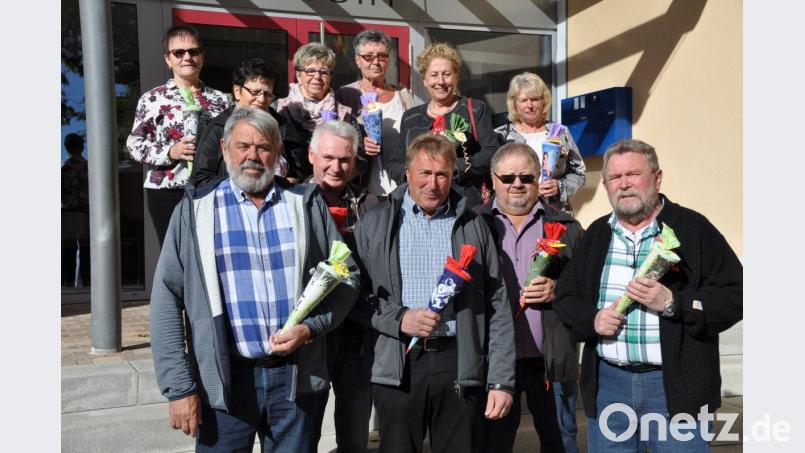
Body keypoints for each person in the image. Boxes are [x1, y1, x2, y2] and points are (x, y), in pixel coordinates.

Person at [150, 107, 360, 452]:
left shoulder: (305, 204)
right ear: (224, 148)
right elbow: (167, 298)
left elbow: (348, 276)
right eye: (242, 145)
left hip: (296, 382)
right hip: (226, 383)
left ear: (278, 153)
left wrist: (312, 327)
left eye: (263, 147)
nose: (252, 156)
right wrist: (180, 388)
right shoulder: (195, 211)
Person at [553, 139, 743, 451]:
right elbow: (566, 297)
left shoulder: (692, 228)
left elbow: (737, 294)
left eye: (633, 174)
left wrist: (674, 303)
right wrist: (593, 319)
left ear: (657, 178)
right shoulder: (597, 234)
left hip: (676, 389)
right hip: (610, 386)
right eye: (615, 178)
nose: (624, 185)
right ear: (606, 185)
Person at [353, 133, 515, 453]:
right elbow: (356, 298)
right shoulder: (376, 223)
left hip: (459, 361)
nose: (433, 183)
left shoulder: (473, 224)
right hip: (399, 361)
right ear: (408, 174)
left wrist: (501, 380)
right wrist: (400, 319)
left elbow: (496, 303)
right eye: (425, 173)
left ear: (452, 175)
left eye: (442, 174)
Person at [478, 143, 582, 453]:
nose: (517, 184)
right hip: (494, 363)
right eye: (508, 178)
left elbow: (587, 291)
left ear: (539, 179)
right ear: (493, 180)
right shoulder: (473, 225)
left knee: (559, 443)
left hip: (549, 361)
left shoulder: (567, 227)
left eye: (526, 177)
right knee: (492, 445)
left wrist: (557, 290)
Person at [305, 120, 378, 453]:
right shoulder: (292, 201)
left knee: (354, 429)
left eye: (345, 160)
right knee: (303, 429)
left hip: (356, 329)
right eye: (328, 158)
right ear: (311, 155)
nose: (336, 167)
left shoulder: (370, 204)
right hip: (309, 331)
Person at [127, 25, 230, 245]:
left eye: (193, 51)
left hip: (211, 186)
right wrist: (170, 151)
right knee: (175, 254)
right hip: (167, 188)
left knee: (210, 252)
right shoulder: (152, 99)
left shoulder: (221, 99)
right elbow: (135, 144)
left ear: (202, 57)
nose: (187, 57)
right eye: (179, 52)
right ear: (168, 59)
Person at [389, 42, 499, 208]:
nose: (440, 81)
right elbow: (395, 164)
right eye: (434, 75)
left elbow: (492, 152)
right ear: (425, 80)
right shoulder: (411, 117)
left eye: (447, 74)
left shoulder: (474, 109)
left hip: (465, 202)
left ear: (456, 77)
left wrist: (455, 167)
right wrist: (418, 175)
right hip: (420, 205)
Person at [335, 29, 418, 197]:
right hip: (361, 189)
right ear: (357, 60)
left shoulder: (403, 96)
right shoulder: (345, 94)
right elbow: (335, 138)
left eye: (382, 56)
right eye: (368, 56)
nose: (376, 62)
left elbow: (414, 139)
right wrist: (359, 144)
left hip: (400, 188)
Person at [495, 72, 586, 213]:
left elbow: (579, 172)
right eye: (524, 100)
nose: (530, 105)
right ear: (515, 104)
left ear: (544, 101)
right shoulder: (502, 136)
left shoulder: (559, 132)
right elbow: (493, 177)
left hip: (555, 212)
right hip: (514, 212)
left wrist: (559, 187)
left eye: (535, 99)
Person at [189, 58, 284, 188]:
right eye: (255, 92)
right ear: (237, 91)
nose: (261, 100)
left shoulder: (281, 125)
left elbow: (295, 172)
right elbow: (201, 178)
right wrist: (242, 188)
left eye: (267, 94)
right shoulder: (218, 128)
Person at [276, 42, 359, 183]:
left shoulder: (344, 114)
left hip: (330, 190)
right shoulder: (279, 109)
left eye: (323, 72)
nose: (317, 77)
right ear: (298, 75)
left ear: (331, 76)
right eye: (310, 71)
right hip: (288, 190)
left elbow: (359, 159)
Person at [61, 133, 90, 287]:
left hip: (69, 212)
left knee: (69, 249)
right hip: (86, 211)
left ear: (66, 147)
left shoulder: (63, 168)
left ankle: (68, 284)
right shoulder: (89, 168)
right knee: (86, 248)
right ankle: (87, 282)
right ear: (82, 147)